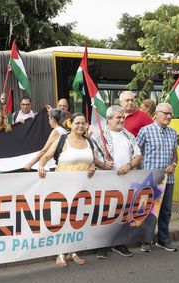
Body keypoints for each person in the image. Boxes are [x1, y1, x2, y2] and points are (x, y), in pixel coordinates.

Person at [37, 114, 105, 268]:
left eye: (83, 123)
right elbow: (45, 157)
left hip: (82, 188)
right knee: (62, 219)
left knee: (77, 219)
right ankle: (60, 253)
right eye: (77, 123)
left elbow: (91, 161)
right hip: (63, 187)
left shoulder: (88, 142)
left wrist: (92, 167)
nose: (80, 126)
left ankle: (73, 251)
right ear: (70, 124)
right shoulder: (62, 140)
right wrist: (40, 166)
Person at [91, 105, 139, 259]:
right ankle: (102, 246)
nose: (122, 120)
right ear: (109, 119)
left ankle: (119, 243)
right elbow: (90, 156)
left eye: (123, 117)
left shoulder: (129, 135)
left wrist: (129, 165)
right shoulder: (99, 135)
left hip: (126, 180)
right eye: (118, 117)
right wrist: (102, 164)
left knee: (123, 213)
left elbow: (139, 155)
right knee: (105, 213)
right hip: (105, 181)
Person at [132, 102, 179, 252]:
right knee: (149, 210)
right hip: (150, 178)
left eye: (170, 114)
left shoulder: (173, 132)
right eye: (165, 113)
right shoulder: (145, 131)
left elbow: (175, 154)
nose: (168, 116)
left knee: (166, 210)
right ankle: (146, 240)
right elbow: (136, 152)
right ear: (157, 113)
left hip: (168, 178)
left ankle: (163, 240)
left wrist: (173, 164)